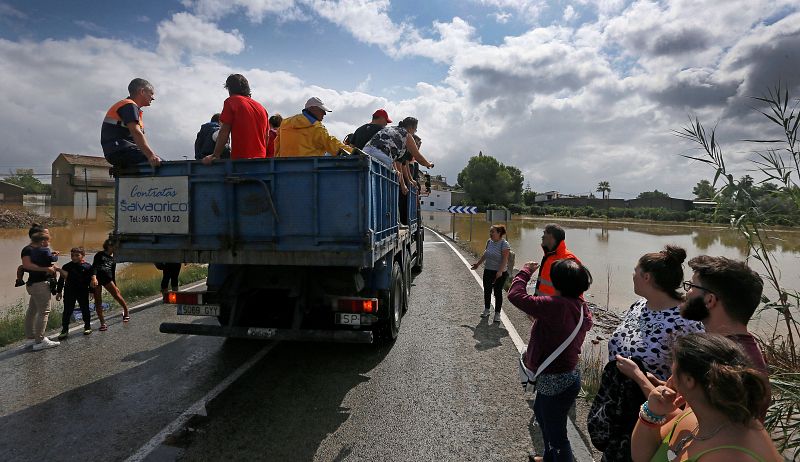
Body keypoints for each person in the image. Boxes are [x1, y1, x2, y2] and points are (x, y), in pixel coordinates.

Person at [592, 246, 703, 461]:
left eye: (635, 271)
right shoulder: (639, 305)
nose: (632, 276)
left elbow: (688, 387)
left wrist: (641, 378)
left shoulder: (685, 322)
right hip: (617, 410)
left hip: (652, 418)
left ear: (646, 277)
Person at [631, 333, 781, 462]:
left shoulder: (727, 457)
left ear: (689, 381)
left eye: (673, 365)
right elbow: (643, 457)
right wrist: (653, 412)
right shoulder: (701, 414)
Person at [508, 259, 594, 462]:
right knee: (543, 415)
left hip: (554, 379)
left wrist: (525, 272)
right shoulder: (580, 306)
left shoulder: (554, 305)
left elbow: (515, 296)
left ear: (557, 283)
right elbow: (574, 325)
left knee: (557, 434)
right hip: (568, 376)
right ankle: (548, 458)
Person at [202, 74, 268, 164]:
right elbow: (266, 136)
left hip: (241, 160)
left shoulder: (232, 101)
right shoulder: (261, 108)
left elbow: (224, 131)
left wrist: (215, 155)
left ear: (229, 88)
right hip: (262, 160)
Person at [101, 78, 162, 168]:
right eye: (151, 93)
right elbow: (136, 132)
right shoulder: (129, 105)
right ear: (142, 91)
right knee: (163, 165)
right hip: (121, 150)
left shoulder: (129, 106)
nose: (153, 98)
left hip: (117, 151)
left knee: (158, 162)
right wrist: (151, 156)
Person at [363, 117, 434, 194]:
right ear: (411, 127)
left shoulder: (390, 128)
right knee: (383, 187)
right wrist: (428, 164)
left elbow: (392, 155)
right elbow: (418, 156)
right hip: (381, 157)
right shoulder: (406, 135)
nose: (414, 133)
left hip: (366, 151)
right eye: (415, 130)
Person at [20, 226, 60, 350]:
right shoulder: (28, 249)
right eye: (46, 235)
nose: (48, 237)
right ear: (39, 237)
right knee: (44, 312)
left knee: (32, 310)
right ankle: (40, 340)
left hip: (34, 284)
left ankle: (31, 338)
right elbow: (26, 265)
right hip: (39, 284)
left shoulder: (38, 249)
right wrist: (45, 268)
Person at [275, 97, 351, 158]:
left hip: (284, 169)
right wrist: (352, 151)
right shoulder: (317, 127)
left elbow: (277, 145)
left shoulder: (284, 123)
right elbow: (332, 144)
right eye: (322, 110)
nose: (324, 113)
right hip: (310, 171)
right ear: (312, 108)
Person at [470, 224, 511, 323]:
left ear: (499, 233)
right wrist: (478, 264)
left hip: (500, 272)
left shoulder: (504, 244)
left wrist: (500, 271)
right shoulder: (489, 242)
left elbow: (505, 260)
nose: (491, 234)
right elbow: (486, 254)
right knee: (487, 291)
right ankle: (487, 310)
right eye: (490, 232)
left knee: (497, 293)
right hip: (488, 270)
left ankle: (497, 313)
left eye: (493, 232)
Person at [56, 247, 97, 339]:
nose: (74, 257)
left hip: (82, 291)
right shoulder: (66, 266)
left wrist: (91, 291)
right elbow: (61, 280)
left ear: (83, 256)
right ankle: (64, 330)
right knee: (67, 311)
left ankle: (87, 326)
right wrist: (59, 292)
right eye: (72, 255)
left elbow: (91, 280)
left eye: (77, 255)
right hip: (69, 291)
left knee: (85, 309)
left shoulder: (87, 266)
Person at [531, 224, 580, 297]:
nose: (542, 236)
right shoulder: (549, 255)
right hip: (542, 303)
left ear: (551, 236)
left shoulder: (568, 259)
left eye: (544, 233)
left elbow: (577, 290)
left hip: (556, 306)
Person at [92, 239, 129, 330]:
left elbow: (112, 273)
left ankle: (126, 311)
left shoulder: (113, 259)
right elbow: (95, 266)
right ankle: (102, 323)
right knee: (98, 301)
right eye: (115, 246)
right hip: (97, 279)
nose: (116, 248)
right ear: (109, 246)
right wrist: (94, 277)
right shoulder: (99, 254)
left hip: (107, 278)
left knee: (117, 295)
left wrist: (115, 285)